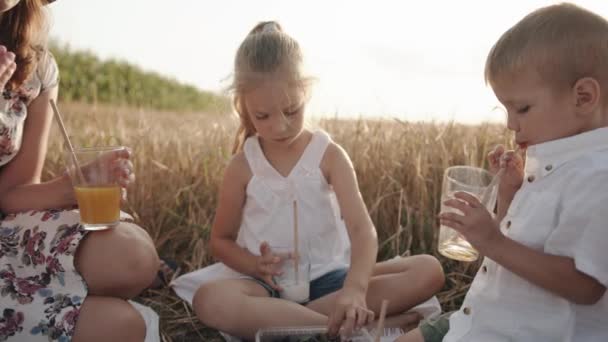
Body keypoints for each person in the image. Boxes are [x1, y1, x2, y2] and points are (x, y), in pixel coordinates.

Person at [171, 21, 445, 340]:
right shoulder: (243, 166)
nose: (280, 126)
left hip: (332, 281)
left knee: (428, 270)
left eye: (292, 110)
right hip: (265, 290)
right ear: (242, 106)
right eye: (263, 116)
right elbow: (221, 240)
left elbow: (362, 230)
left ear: (307, 90)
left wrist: (354, 291)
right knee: (210, 300)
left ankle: (293, 325)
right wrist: (254, 264)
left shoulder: (329, 155)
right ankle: (343, 327)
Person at [399, 3, 608, 341]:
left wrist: (491, 240)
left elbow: (586, 287)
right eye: (505, 108)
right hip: (484, 318)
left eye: (522, 108)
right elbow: (523, 249)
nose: (511, 124)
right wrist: (509, 195)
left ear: (583, 97)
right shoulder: (553, 164)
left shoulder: (597, 177)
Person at [0, 1, 159, 341]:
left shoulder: (37, 65)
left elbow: (12, 193)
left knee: (134, 257)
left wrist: (69, 186)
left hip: (5, 233)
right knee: (120, 325)